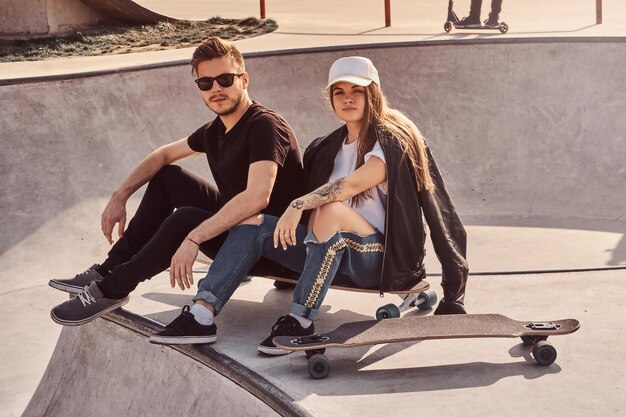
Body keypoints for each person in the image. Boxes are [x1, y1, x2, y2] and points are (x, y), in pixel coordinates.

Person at [150, 56, 468, 355]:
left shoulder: (391, 140)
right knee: (253, 222)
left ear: (374, 94)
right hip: (323, 251)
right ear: (330, 97)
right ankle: (202, 314)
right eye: (340, 91)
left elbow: (354, 185)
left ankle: (300, 319)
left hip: (377, 259)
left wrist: (454, 292)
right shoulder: (324, 147)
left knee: (331, 209)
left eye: (358, 90)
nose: (348, 98)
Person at [49, 36, 304, 327]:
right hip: (242, 229)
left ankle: (112, 289)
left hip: (272, 247)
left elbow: (259, 197)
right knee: (169, 177)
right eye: (205, 83)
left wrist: (196, 236)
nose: (216, 89)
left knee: (187, 220)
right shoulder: (216, 130)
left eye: (224, 79)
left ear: (244, 80)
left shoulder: (264, 126)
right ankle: (107, 270)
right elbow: (164, 154)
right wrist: (120, 195)